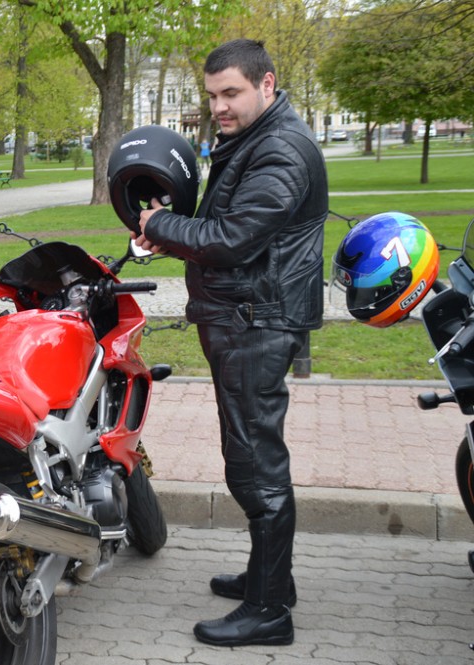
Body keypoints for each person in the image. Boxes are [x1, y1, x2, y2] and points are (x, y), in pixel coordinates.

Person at [135, 39, 328, 647]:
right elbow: (228, 226)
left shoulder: (280, 149)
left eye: (231, 93)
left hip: (257, 323)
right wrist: (173, 230)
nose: (219, 106)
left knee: (255, 466)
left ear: (266, 84)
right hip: (245, 318)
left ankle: (269, 611)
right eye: (212, 95)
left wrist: (161, 225)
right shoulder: (254, 138)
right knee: (249, 456)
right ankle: (271, 579)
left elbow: (234, 238)